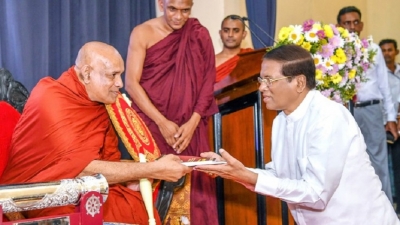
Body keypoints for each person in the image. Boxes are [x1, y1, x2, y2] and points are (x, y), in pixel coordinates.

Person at [195, 44, 400, 224]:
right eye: (260, 79)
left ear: (299, 83)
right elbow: (280, 176)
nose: (261, 87)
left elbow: (316, 194)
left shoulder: (328, 117)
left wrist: (249, 176)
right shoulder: (281, 121)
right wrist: (235, 171)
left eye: (269, 80)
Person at [0, 41, 192, 225]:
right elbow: (79, 168)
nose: (120, 83)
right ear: (87, 73)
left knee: (133, 206)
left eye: (121, 75)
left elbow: (105, 159)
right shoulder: (52, 99)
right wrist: (152, 169)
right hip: (39, 197)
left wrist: (137, 174)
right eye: (113, 75)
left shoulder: (102, 104)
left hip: (83, 188)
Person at [124, 0, 219, 224]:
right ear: (161, 4)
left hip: (189, 129)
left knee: (197, 191)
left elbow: (208, 83)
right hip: (152, 126)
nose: (179, 16)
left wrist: (194, 121)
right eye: (173, 9)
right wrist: (162, 122)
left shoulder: (199, 34)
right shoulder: (142, 33)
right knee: (153, 188)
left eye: (185, 10)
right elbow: (131, 83)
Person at [336, 6, 397, 203]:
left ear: (361, 24)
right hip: (345, 111)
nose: (352, 27)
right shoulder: (334, 49)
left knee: (378, 161)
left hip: (371, 109)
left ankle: (386, 210)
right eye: (347, 23)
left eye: (356, 22)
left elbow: (384, 86)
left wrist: (390, 118)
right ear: (340, 25)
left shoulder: (372, 49)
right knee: (349, 163)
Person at [379, 38, 400, 212]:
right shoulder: (378, 75)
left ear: (396, 52)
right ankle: (389, 202)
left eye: (390, 50)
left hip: (399, 122)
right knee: (386, 166)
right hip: (383, 125)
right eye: (383, 51)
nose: (387, 54)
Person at [215, 14, 253, 83]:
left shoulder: (250, 58)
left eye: (236, 31)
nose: (230, 35)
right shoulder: (210, 62)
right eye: (226, 30)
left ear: (244, 34)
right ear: (220, 33)